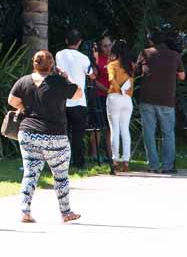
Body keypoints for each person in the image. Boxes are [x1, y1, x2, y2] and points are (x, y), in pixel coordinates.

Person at [9, 50, 83, 223]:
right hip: (55, 136)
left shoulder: (24, 81)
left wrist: (27, 108)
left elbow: (12, 101)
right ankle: (66, 213)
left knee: (30, 173)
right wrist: (67, 77)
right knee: (60, 175)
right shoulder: (58, 81)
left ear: (34, 64)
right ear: (51, 65)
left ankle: (24, 211)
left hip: (28, 133)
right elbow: (78, 93)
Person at [135, 30, 186, 174]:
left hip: (147, 98)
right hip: (167, 99)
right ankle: (168, 166)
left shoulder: (144, 53)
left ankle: (153, 165)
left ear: (151, 41)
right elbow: (182, 76)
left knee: (149, 132)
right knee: (168, 133)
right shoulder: (175, 55)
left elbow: (136, 71)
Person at [55, 30, 96, 169]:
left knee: (62, 134)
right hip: (79, 101)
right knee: (78, 135)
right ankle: (79, 162)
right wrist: (94, 58)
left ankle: (62, 162)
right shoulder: (84, 58)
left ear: (66, 40)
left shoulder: (59, 55)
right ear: (79, 42)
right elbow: (92, 76)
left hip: (62, 101)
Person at [105, 40, 136, 172]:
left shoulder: (112, 65)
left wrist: (119, 90)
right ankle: (126, 161)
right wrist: (125, 92)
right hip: (127, 99)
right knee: (125, 130)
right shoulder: (130, 66)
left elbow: (112, 79)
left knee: (115, 130)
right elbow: (131, 82)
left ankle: (115, 159)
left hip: (114, 97)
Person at [88, 34, 113, 162]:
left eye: (109, 45)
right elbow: (93, 80)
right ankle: (94, 154)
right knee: (97, 127)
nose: (108, 48)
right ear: (100, 47)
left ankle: (111, 154)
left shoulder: (115, 59)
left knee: (110, 127)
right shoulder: (98, 59)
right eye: (105, 46)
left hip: (113, 98)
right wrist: (107, 90)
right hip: (100, 96)